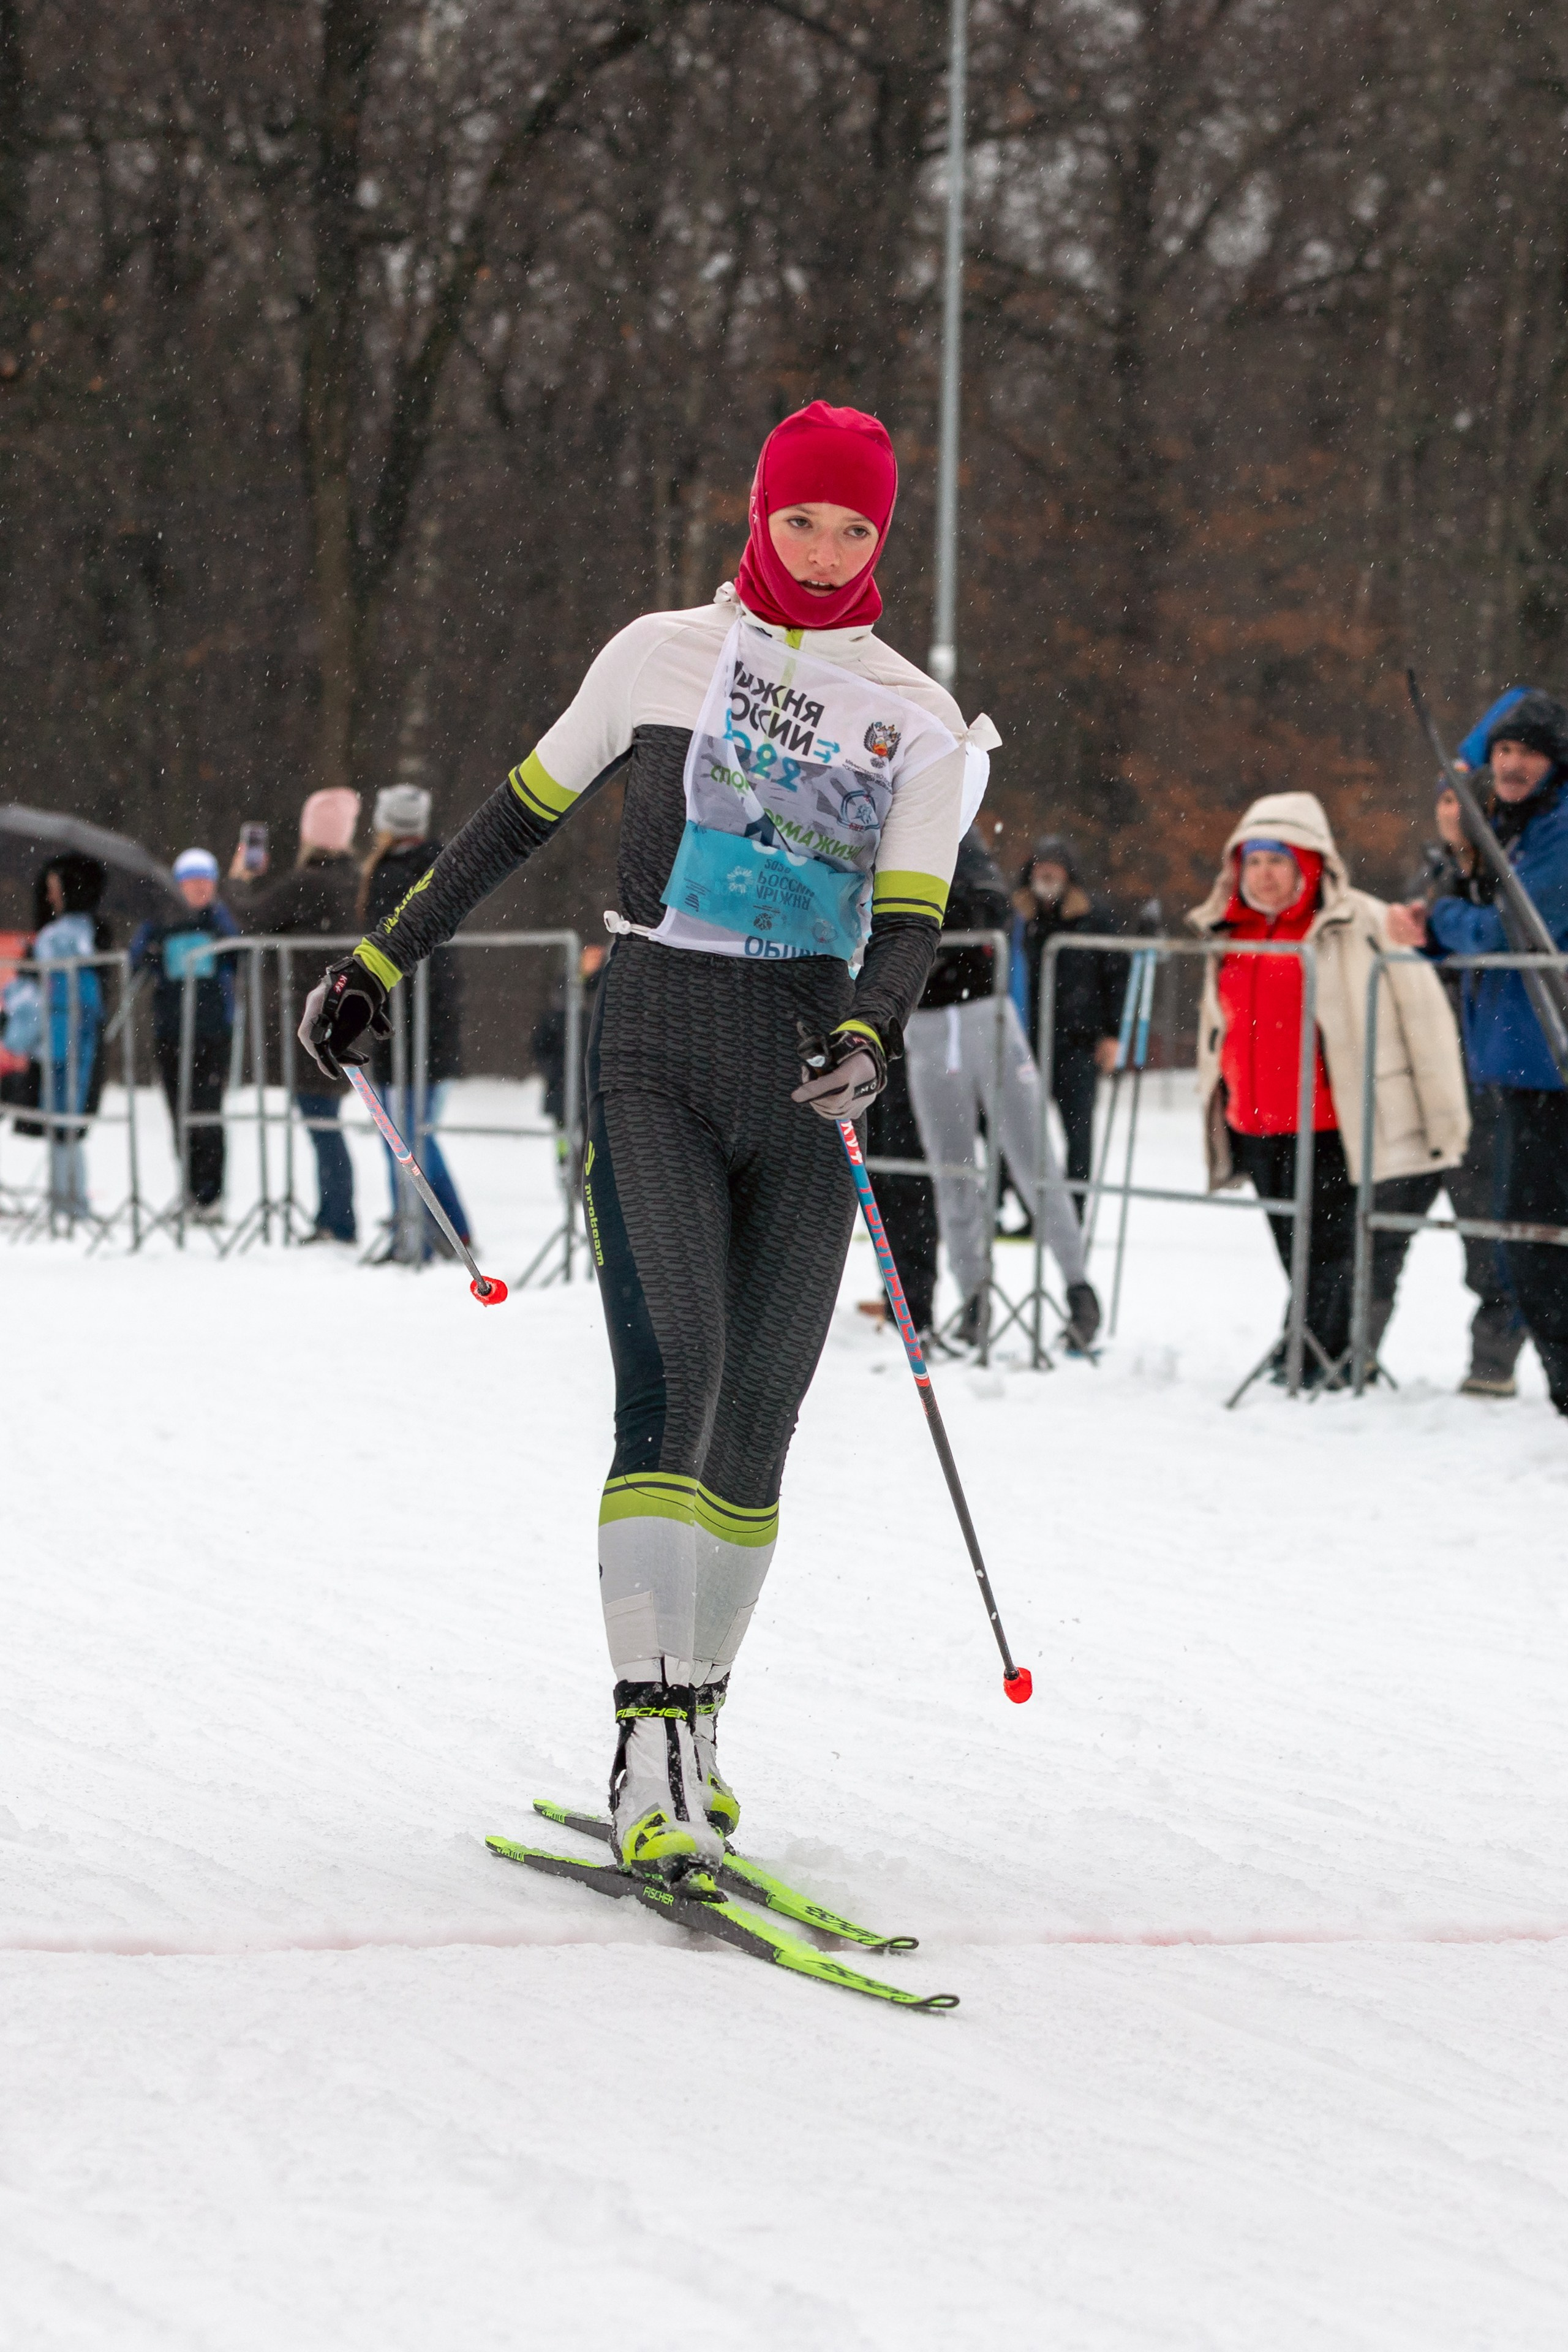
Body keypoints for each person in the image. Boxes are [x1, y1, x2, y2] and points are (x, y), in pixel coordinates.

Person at [299, 399, 992, 1874]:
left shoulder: (912, 716)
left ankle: (703, 1726)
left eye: (850, 527)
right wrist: (380, 962)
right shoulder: (655, 653)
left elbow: (917, 916)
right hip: (660, 1050)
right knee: (671, 1375)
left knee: (758, 1419)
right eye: (797, 518)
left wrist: (867, 1030)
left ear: (880, 538)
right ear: (757, 513)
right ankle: (645, 1737)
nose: (818, 551)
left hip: (805, 1070)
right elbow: (508, 822)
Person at [1190, 791, 1468, 1383]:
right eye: (1253, 862)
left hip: (1332, 1122)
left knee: (1331, 1252)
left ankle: (1323, 1359)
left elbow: (1426, 1023)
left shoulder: (1365, 922)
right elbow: (1218, 1030)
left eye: (1278, 861)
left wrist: (1444, 1119)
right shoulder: (1228, 932)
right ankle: (1311, 1350)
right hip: (1257, 1123)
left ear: (1310, 864)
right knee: (1296, 1251)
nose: (1264, 876)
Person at [1389, 691, 1568, 1412]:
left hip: (1548, 1065)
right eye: (1502, 751)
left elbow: (1515, 929)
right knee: (1524, 1242)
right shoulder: (1509, 826)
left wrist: (1439, 922)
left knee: (1530, 1244)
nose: (1513, 764)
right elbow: (1454, 792)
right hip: (1514, 1065)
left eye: (1529, 752)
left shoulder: (1557, 829)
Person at [902, 827, 1099, 1349]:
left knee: (1032, 1158)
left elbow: (988, 908)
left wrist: (926, 921)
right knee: (952, 1171)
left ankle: (1078, 1287)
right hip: (923, 1023)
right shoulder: (885, 830)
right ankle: (974, 1297)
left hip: (982, 1014)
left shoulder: (960, 836)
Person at [230, 789, 363, 1245]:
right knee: (323, 1117)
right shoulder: (354, 880)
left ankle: (339, 1220)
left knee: (320, 1117)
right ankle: (334, 1215)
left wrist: (242, 880)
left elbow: (250, 917)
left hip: (316, 1015)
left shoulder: (311, 882)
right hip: (351, 1013)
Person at [358, 785, 470, 1260]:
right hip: (414, 1017)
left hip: (412, 1018)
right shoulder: (442, 863)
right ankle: (437, 1229)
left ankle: (431, 1230)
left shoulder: (392, 875)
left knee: (406, 1135)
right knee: (407, 1133)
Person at [1009, 835, 1123, 1215]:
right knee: (1022, 1133)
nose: (1048, 871)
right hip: (1022, 1043)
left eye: (1056, 864)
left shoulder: (1094, 918)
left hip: (1078, 1043)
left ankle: (1072, 1214)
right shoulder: (1014, 919)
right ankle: (1030, 1211)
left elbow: (1116, 978)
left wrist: (1113, 1035)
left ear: (1068, 873)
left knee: (1078, 1134)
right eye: (1041, 863)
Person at [130, 848, 238, 1220]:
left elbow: (238, 956)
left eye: (206, 883)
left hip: (212, 1031)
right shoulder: (160, 919)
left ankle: (212, 1195)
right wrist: (151, 954)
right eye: (191, 883)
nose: (199, 890)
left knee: (207, 1110)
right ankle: (191, 1190)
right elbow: (136, 961)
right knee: (178, 1111)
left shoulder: (220, 919)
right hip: (171, 1030)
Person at [31, 855, 108, 1221]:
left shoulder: (67, 934)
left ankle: (69, 1198)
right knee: (65, 1116)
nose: (50, 897)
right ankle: (68, 1197)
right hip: (69, 1026)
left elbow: (78, 992)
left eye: (54, 889)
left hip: (67, 1026)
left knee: (64, 1115)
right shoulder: (80, 930)